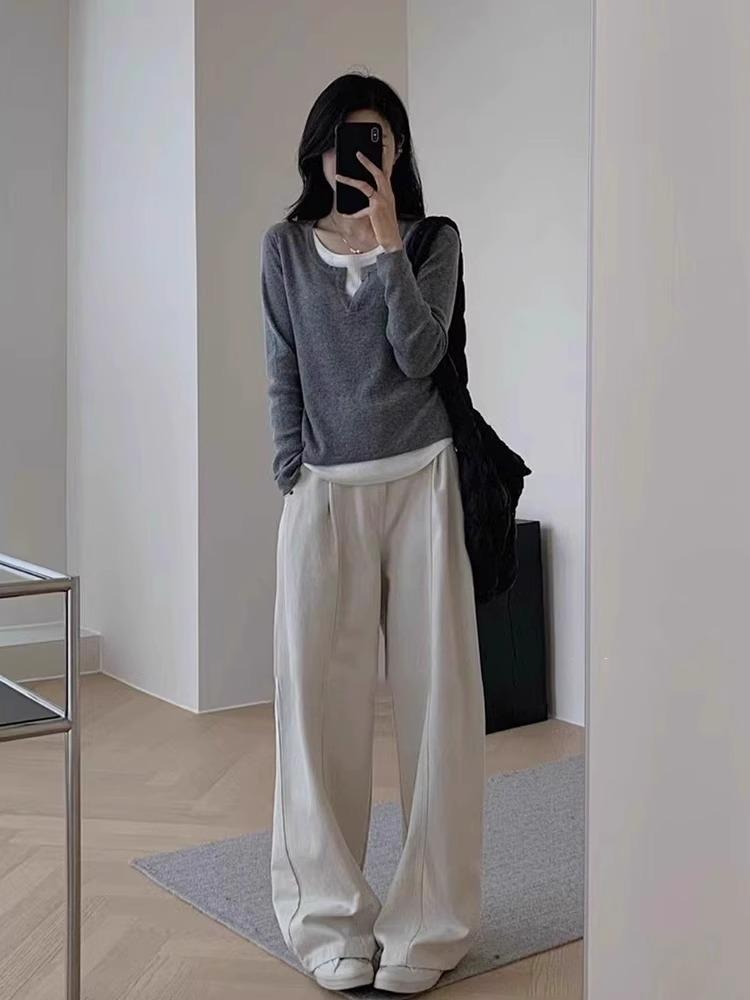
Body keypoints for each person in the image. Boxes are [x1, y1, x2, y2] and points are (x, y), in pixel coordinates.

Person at [259, 71, 486, 995]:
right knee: (317, 710)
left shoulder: (434, 240)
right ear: (319, 151)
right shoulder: (283, 249)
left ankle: (429, 926)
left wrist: (389, 242)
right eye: (346, 140)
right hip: (324, 491)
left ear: (397, 153)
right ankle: (330, 922)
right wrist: (290, 467)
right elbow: (283, 367)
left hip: (423, 479)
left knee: (439, 710)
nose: (360, 155)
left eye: (378, 140)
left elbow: (421, 354)